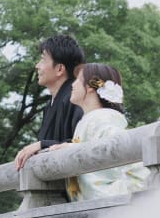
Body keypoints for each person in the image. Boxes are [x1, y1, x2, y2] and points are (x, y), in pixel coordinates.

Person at [48, 63, 149, 201]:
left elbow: (136, 165)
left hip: (108, 206)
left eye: (77, 79)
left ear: (90, 86)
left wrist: (73, 150)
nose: (73, 84)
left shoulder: (102, 120)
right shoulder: (91, 120)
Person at [14, 35, 85, 170]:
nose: (37, 66)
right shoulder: (50, 105)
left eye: (42, 60)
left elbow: (82, 143)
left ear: (59, 69)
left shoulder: (76, 98)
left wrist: (41, 145)